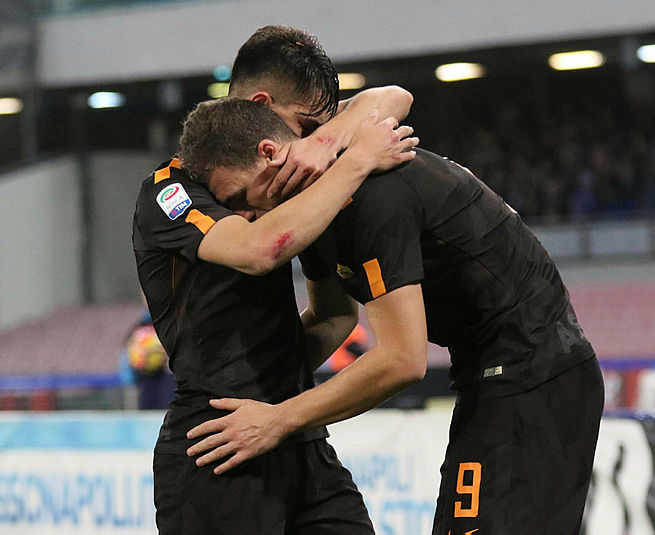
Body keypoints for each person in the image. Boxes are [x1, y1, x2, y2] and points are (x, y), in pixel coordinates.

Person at [182, 98, 604, 534]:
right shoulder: (316, 204)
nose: (244, 217)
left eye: (238, 199)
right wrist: (242, 386)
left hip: (535, 374)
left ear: (269, 152)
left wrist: (277, 420)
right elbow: (333, 317)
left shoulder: (371, 193)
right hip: (496, 374)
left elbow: (403, 361)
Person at [133, 26, 417, 534]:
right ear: (263, 111)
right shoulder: (170, 187)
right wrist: (355, 159)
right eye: (306, 126)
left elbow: (394, 97)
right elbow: (259, 250)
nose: (310, 142)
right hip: (217, 440)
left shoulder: (296, 169)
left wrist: (280, 398)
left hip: (292, 433)